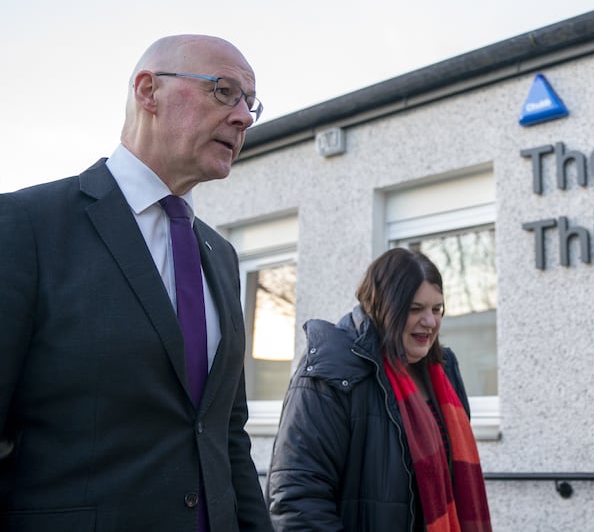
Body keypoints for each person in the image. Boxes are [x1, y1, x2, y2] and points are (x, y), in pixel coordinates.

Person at [0, 35, 270, 531]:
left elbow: (226, 434)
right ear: (149, 91)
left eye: (249, 103)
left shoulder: (222, 256)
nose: (244, 117)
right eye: (225, 91)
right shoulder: (25, 226)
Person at [268, 248, 492, 531]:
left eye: (437, 309)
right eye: (415, 309)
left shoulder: (444, 370)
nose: (431, 321)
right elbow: (297, 499)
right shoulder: (332, 370)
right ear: (383, 307)